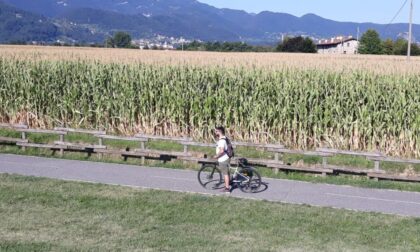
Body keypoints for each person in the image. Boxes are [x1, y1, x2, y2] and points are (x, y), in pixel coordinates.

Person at [213, 126, 231, 193]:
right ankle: (228, 183)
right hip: (227, 157)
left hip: (223, 159)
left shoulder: (221, 141)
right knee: (227, 172)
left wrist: (216, 156)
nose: (215, 132)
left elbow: (222, 151)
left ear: (219, 132)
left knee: (225, 174)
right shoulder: (225, 138)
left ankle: (227, 189)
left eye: (216, 131)